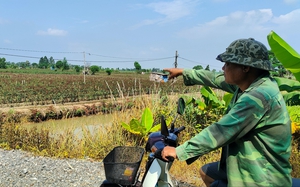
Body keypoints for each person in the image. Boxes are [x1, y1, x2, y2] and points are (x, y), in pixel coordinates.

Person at [162, 38, 293, 187]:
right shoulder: (252, 83)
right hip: (248, 163)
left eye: (228, 63)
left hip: (262, 177)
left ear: (245, 68)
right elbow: (216, 79)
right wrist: (184, 72)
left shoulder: (258, 97)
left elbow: (220, 131)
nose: (223, 68)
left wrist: (179, 151)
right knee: (207, 172)